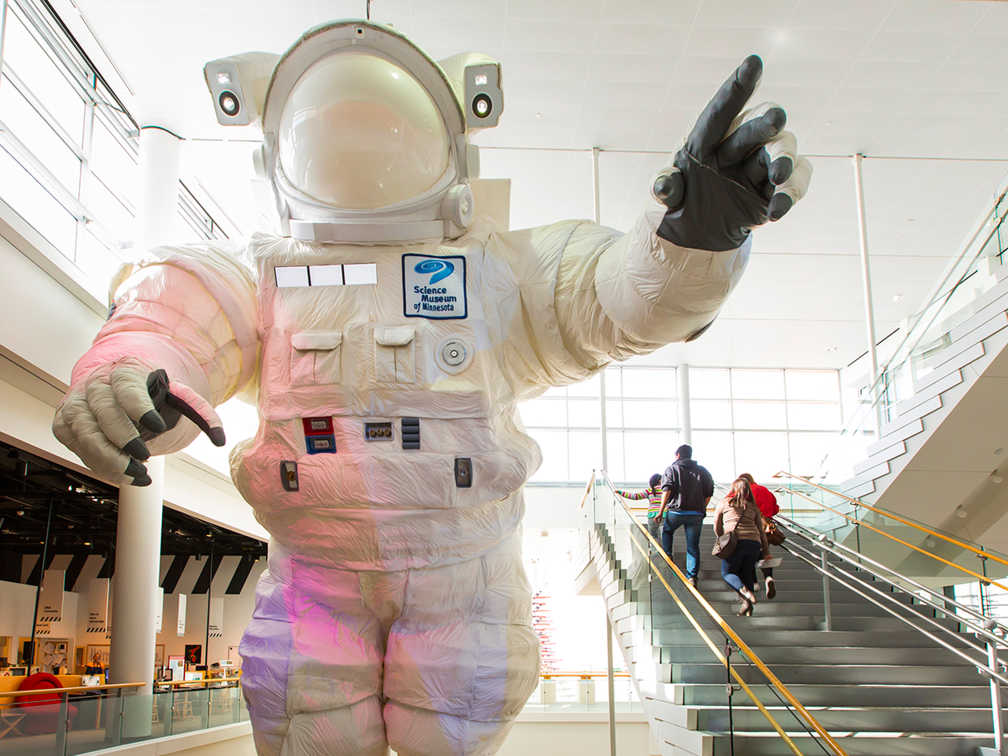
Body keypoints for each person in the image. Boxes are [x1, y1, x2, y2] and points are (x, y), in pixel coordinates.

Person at [49, 20, 811, 756]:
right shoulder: (263, 276)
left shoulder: (498, 271)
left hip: (461, 574)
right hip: (320, 573)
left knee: (442, 720)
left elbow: (615, 296)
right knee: (311, 724)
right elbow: (172, 326)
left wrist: (687, 244)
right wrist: (129, 379)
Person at [657, 445, 715, 589]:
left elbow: (667, 490)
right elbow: (709, 493)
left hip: (676, 511)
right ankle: (692, 577)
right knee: (693, 546)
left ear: (677, 455)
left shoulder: (671, 469)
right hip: (696, 513)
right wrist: (702, 508)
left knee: (667, 531)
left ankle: (668, 558)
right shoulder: (703, 471)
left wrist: (660, 510)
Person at [714, 477, 770, 616]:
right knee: (746, 573)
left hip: (735, 543)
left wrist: (722, 539)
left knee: (728, 573)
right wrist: (766, 551)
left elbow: (716, 524)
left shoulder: (724, 503)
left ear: (733, 489)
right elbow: (762, 532)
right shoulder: (753, 507)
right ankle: (747, 606)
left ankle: (744, 591)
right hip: (754, 544)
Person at [739, 472, 780, 599]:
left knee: (748, 554)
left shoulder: (746, 491)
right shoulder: (765, 490)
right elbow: (775, 508)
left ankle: (754, 582)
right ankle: (768, 578)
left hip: (751, 527)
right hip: (766, 527)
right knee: (764, 554)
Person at [615, 473, 664, 542]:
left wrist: (620, 492)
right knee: (665, 535)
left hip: (652, 516)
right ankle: (666, 552)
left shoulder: (649, 491)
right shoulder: (665, 490)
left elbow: (635, 496)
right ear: (659, 481)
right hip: (663, 514)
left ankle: (655, 552)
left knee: (653, 537)